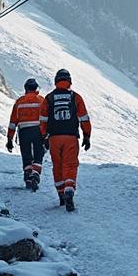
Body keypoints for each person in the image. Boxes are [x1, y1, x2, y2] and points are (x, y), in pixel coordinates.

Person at [38, 68, 90, 211]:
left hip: (54, 138)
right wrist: (87, 135)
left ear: (56, 82)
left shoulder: (48, 98)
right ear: (69, 82)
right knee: (70, 165)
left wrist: (44, 136)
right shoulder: (75, 97)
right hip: (71, 137)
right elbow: (84, 118)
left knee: (58, 165)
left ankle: (61, 194)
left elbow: (43, 119)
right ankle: (69, 189)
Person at [7, 78, 46, 191]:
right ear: (36, 88)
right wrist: (46, 135)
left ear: (26, 88)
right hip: (38, 131)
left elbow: (13, 122)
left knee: (26, 155)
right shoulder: (41, 101)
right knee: (39, 154)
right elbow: (46, 119)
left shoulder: (19, 102)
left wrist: (9, 139)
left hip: (24, 132)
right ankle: (35, 174)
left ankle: (28, 176)